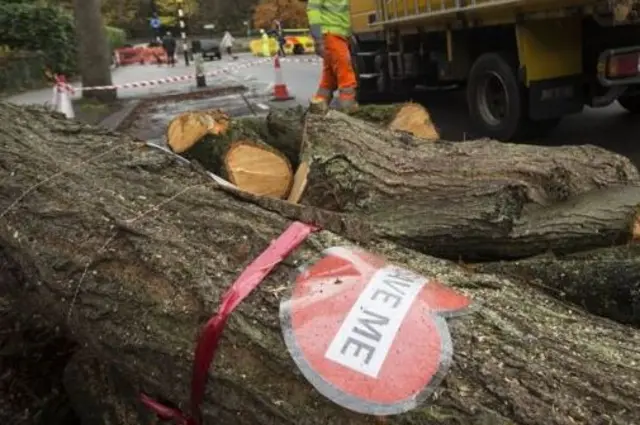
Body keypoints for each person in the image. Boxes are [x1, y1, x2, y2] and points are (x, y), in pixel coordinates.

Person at [306, 0, 358, 113]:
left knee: (328, 79)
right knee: (345, 74)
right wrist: (318, 39)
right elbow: (313, 12)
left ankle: (318, 109)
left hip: (337, 35)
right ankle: (348, 108)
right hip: (331, 35)